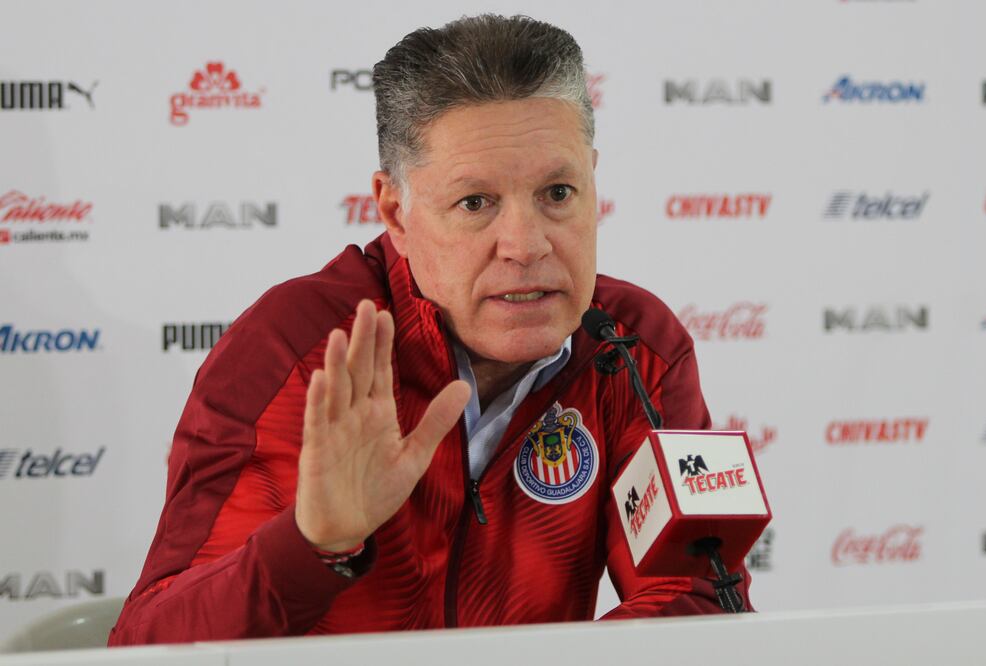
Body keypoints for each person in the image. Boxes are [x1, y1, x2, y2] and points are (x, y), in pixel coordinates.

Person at [109, 14, 751, 645]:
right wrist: (310, 546)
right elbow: (147, 648)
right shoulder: (296, 353)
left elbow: (698, 594)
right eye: (475, 202)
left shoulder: (634, 348)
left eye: (557, 193)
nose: (526, 245)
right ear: (395, 211)